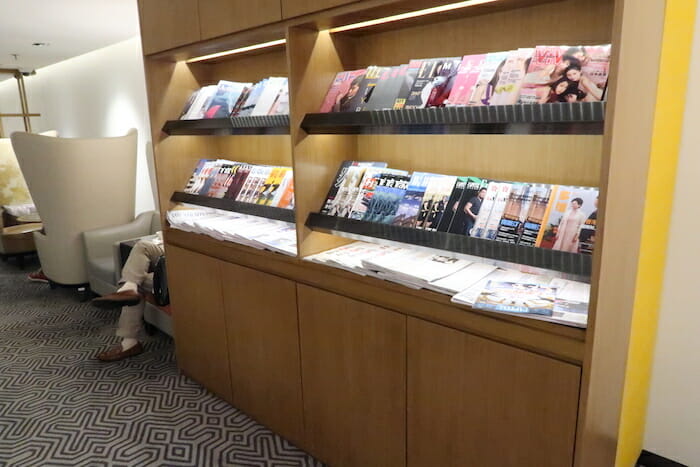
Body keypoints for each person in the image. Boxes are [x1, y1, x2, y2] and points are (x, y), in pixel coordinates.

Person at [91, 234, 165, 362]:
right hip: (174, 252)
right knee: (142, 246)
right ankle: (129, 288)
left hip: (190, 263)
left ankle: (130, 342)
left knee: (137, 281)